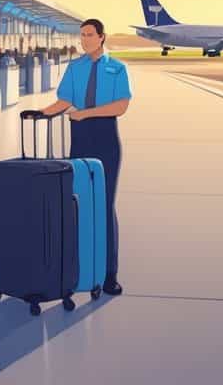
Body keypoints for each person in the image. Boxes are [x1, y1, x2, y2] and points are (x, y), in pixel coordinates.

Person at [40, 18, 131, 296]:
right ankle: (79, 270)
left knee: (104, 204)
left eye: (90, 35)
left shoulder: (117, 68)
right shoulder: (74, 67)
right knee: (77, 204)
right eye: (82, 35)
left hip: (105, 138)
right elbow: (65, 101)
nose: (85, 40)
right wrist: (40, 114)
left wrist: (86, 113)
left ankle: (109, 274)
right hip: (79, 138)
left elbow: (120, 106)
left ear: (102, 37)